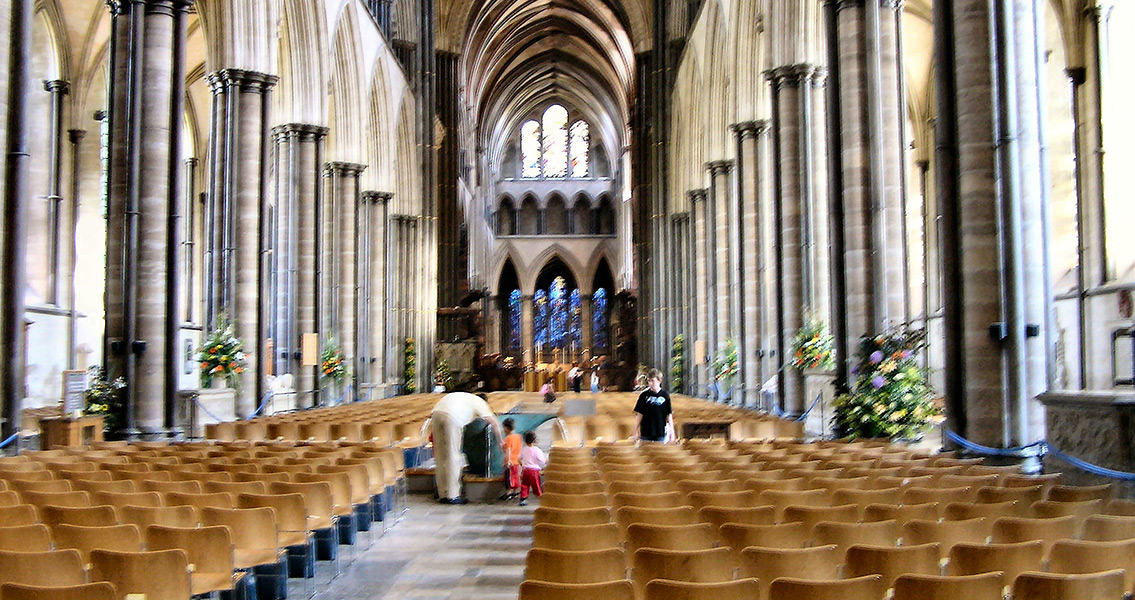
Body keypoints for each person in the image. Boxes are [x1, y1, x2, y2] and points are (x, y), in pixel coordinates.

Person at [430, 391, 503, 504]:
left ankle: (442, 492)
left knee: (440, 456)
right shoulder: (481, 403)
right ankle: (452, 495)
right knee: (453, 455)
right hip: (452, 417)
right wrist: (500, 442)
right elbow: (495, 423)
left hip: (436, 413)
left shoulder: (466, 397)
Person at [633, 368, 674, 444]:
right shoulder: (644, 395)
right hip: (646, 432)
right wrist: (635, 430)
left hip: (660, 432)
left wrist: (672, 432)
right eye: (649, 381)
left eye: (653, 381)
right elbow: (639, 414)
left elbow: (669, 414)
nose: (650, 383)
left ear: (659, 381)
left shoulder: (665, 395)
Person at [518, 431, 547, 506]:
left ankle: (523, 499)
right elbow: (542, 460)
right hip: (534, 471)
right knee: (536, 485)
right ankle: (540, 496)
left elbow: (519, 459)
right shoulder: (537, 450)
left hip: (526, 470)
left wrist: (522, 464)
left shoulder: (524, 449)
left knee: (524, 485)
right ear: (535, 440)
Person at [499, 418, 522, 500]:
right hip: (517, 461)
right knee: (516, 476)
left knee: (508, 478)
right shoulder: (518, 437)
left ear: (506, 428)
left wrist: (508, 460)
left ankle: (508, 492)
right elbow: (519, 448)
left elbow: (508, 450)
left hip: (510, 461)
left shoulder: (508, 438)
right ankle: (515, 492)